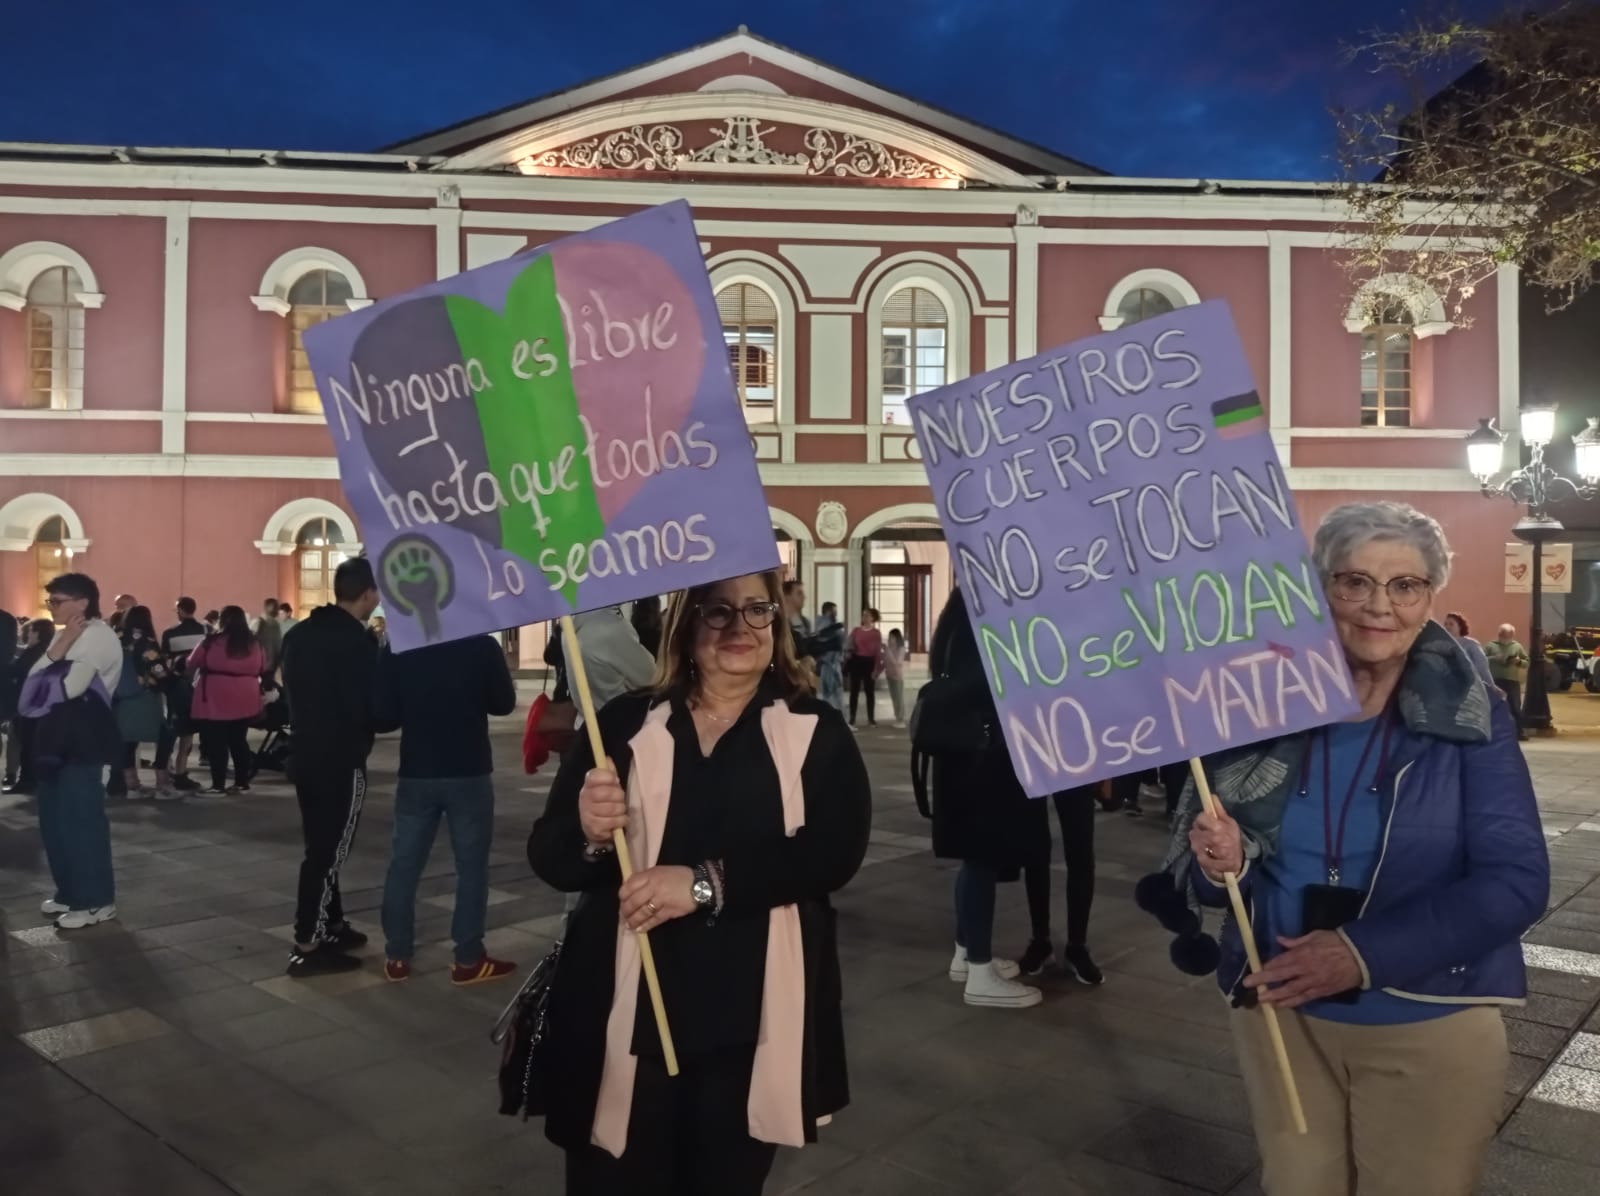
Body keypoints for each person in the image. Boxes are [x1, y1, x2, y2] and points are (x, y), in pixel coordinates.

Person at [1165, 501, 1548, 1196]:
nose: (1379, 605)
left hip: (1428, 1017)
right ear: (1321, 589)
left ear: (1429, 597)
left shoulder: (1472, 713)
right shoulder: (1262, 704)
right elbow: (1220, 876)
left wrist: (1360, 953)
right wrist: (1228, 864)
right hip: (1282, 1013)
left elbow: (1516, 881)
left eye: (1405, 585)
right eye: (1354, 582)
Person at [529, 570, 870, 1193]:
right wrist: (589, 832)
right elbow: (551, 858)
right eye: (718, 611)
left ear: (777, 623)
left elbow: (832, 854)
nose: (740, 626)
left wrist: (702, 885)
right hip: (624, 1012)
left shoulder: (815, 730)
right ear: (686, 625)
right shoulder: (623, 725)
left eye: (757, 609)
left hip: (751, 1020)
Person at [375, 633, 519, 985]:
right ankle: (468, 958)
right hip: (469, 769)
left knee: (404, 865)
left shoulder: (400, 645)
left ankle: (397, 955)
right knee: (471, 867)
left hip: (417, 770)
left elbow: (384, 716)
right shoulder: (480, 644)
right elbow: (503, 703)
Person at [927, 585, 1041, 1008]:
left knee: (975, 860)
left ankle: (966, 953)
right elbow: (985, 679)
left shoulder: (958, 610)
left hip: (965, 751)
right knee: (981, 858)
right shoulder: (983, 617)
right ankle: (979, 972)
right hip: (982, 754)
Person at [280, 557, 381, 978]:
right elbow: (371, 708)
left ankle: (332, 924)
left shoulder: (300, 634)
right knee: (329, 851)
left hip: (305, 752)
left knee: (320, 843)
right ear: (368, 594)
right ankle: (308, 940)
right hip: (341, 756)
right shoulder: (357, 642)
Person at [22, 573, 123, 930]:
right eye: (49, 601)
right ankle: (69, 891)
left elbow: (67, 688)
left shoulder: (97, 637)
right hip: (56, 738)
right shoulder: (68, 635)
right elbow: (32, 682)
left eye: (57, 601)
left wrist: (56, 655)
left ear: (82, 602)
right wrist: (61, 645)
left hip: (83, 740)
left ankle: (96, 901)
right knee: (55, 821)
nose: (51, 607)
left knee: (81, 822)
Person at [1019, 786, 1104, 984]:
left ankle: (1077, 946)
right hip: (1034, 768)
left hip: (1075, 772)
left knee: (1081, 851)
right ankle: (1040, 940)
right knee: (1035, 852)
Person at [188, 606, 264, 795]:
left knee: (217, 743)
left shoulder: (211, 642)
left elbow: (192, 663)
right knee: (239, 741)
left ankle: (218, 785)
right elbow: (264, 666)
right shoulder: (254, 643)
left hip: (215, 696)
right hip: (246, 695)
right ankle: (242, 783)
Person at [113, 605, 170, 799]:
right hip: (145, 697)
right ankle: (162, 785)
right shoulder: (147, 642)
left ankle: (132, 786)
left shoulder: (117, 638)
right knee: (163, 735)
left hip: (121, 698)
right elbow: (159, 670)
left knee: (128, 742)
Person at [155, 597, 207, 793]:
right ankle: (181, 771)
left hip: (176, 686)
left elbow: (165, 659)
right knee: (189, 730)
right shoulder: (205, 631)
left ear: (181, 610)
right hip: (199, 684)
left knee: (172, 726)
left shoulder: (170, 633)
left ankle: (165, 767)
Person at [570, 606, 657, 722]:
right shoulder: (611, 627)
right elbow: (651, 677)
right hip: (619, 723)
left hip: (587, 723)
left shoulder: (571, 626)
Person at [3, 619, 53, 796]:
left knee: (27, 745)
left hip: (29, 705)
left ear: (39, 633)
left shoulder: (34, 654)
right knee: (27, 744)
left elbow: (19, 672)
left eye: (31, 631)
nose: (27, 635)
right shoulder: (43, 652)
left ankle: (27, 781)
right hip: (34, 705)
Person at [1484, 622, 1530, 740]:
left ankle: (1519, 732)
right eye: (1504, 635)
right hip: (1495, 680)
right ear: (1499, 634)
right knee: (1495, 706)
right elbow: (1482, 659)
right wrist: (1494, 658)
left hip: (1512, 680)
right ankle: (1493, 732)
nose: (1506, 638)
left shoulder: (1517, 646)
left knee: (1515, 707)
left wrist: (1519, 661)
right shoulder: (1491, 646)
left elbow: (1527, 662)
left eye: (1509, 635)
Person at [845, 607, 884, 728]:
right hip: (857, 661)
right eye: (863, 615)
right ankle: (852, 718)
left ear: (873, 618)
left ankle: (871, 718)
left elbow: (878, 652)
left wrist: (877, 669)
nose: (865, 617)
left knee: (869, 692)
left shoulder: (876, 633)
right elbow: (848, 645)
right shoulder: (856, 631)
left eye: (867, 615)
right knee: (854, 692)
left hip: (869, 662)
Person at [812, 602, 845, 715]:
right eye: (834, 610)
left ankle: (839, 717)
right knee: (830, 694)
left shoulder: (832, 623)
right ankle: (833, 717)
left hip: (835, 663)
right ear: (829, 611)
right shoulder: (823, 623)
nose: (836, 613)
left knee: (837, 692)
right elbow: (823, 637)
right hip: (827, 663)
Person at [1443, 611, 1493, 684]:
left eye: (1451, 624)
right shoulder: (1442, 644)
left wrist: (1490, 685)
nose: (1447, 627)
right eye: (1445, 624)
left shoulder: (1471, 644)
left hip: (1468, 684)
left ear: (1460, 626)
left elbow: (1482, 666)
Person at [883, 627, 909, 727]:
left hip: (897, 676)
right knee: (894, 698)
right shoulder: (889, 649)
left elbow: (896, 662)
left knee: (899, 698)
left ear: (897, 638)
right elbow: (885, 662)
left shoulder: (901, 649)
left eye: (892, 637)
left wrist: (888, 651)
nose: (890, 639)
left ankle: (901, 719)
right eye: (889, 637)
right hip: (889, 676)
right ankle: (897, 717)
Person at [254, 597, 284, 678]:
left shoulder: (264, 623)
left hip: (265, 660)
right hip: (273, 660)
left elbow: (257, 640)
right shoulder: (275, 624)